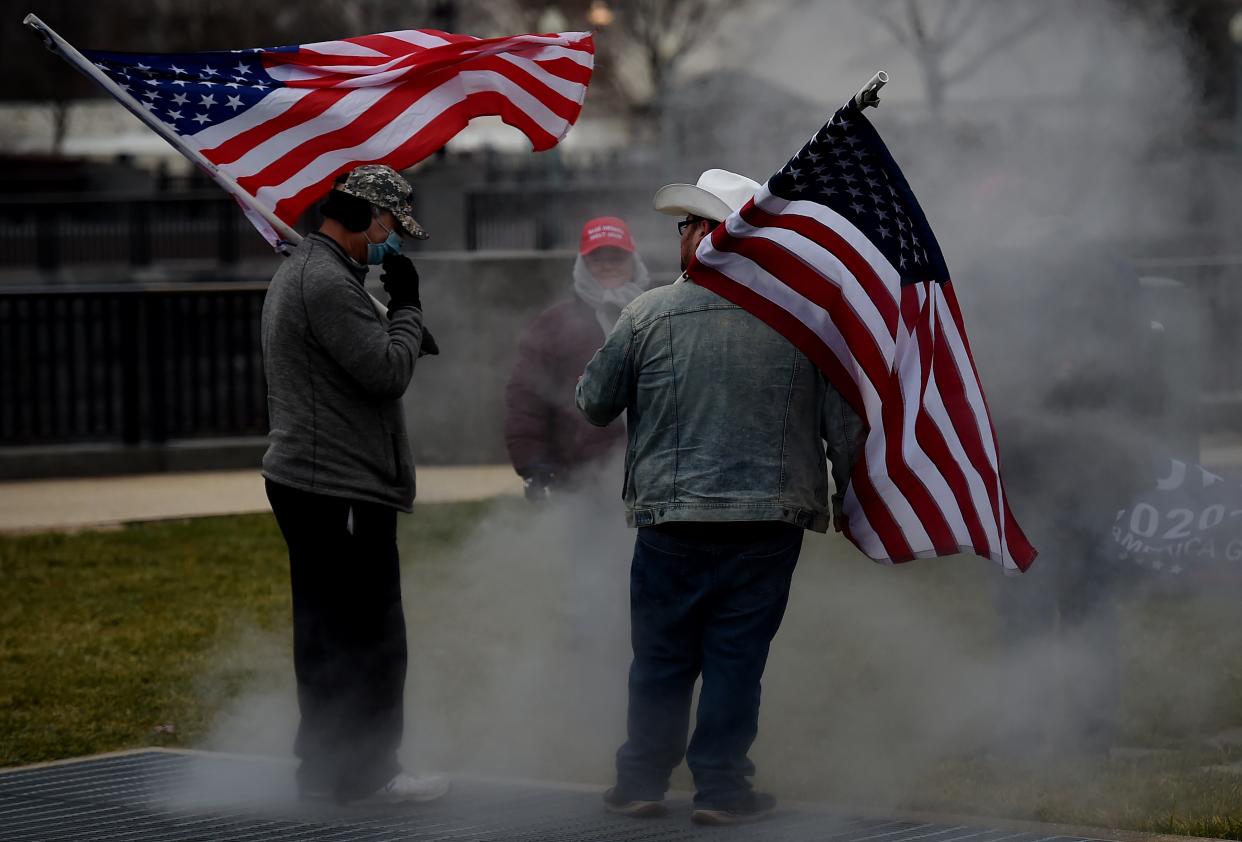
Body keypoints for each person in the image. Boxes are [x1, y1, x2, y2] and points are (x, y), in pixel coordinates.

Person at [576, 169, 864, 826]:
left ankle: (642, 781)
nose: (679, 236)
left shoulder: (646, 313)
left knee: (661, 657)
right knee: (737, 659)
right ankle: (722, 789)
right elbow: (844, 426)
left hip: (672, 519)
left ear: (711, 233)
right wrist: (851, 498)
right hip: (768, 521)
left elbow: (593, 404)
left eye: (686, 225)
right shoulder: (805, 322)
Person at [260, 164, 446, 804]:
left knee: (328, 631)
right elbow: (387, 371)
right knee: (368, 634)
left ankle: (328, 769)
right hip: (336, 484)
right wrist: (408, 307)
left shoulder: (316, 273)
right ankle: (367, 771)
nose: (392, 239)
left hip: (317, 480)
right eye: (391, 226)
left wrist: (396, 316)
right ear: (367, 216)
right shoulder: (326, 283)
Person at [504, 216, 650, 499]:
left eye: (617, 256)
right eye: (597, 258)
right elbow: (526, 398)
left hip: (655, 475)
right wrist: (534, 465)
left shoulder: (660, 313)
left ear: (634, 260)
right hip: (580, 478)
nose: (607, 265)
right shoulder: (552, 325)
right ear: (582, 265)